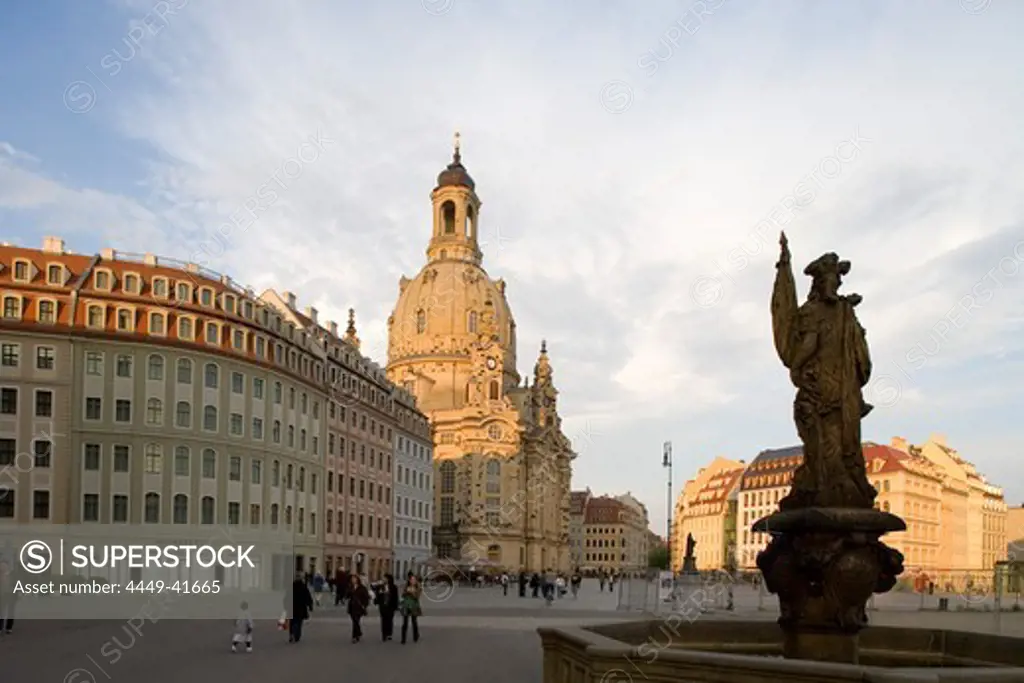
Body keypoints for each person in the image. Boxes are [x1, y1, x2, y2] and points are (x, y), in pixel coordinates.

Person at [286, 572, 313, 643]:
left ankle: (291, 634)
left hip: (292, 606)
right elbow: (308, 596)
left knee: (292, 621)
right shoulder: (303, 586)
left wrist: (285, 605)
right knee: (299, 621)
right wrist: (310, 605)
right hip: (300, 607)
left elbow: (287, 596)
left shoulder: (291, 586)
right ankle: (297, 635)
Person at [399, 572, 422, 644]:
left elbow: (417, 596)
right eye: (411, 579)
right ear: (409, 580)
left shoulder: (418, 587)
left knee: (414, 622)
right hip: (406, 605)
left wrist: (412, 593)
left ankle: (415, 636)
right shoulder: (406, 586)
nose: (412, 581)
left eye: (413, 579)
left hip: (414, 606)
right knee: (405, 623)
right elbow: (403, 595)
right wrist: (405, 593)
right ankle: (403, 639)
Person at [347, 574, 370, 643]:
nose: (353, 580)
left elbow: (366, 597)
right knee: (355, 621)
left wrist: (365, 605)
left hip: (359, 607)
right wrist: (350, 591)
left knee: (356, 621)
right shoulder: (350, 587)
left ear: (357, 580)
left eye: (354, 579)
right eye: (352, 579)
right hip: (352, 606)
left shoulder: (362, 588)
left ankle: (354, 636)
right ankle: (358, 633)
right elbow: (347, 595)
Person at [378, 574, 399, 641]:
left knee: (389, 620)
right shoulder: (381, 586)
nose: (383, 579)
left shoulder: (393, 587)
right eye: (383, 578)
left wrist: (395, 607)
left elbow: (396, 597)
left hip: (390, 606)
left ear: (388, 579)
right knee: (383, 620)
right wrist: (379, 592)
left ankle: (389, 633)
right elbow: (377, 595)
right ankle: (384, 634)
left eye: (385, 578)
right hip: (383, 606)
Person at [0, 560, 15, 634]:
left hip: (11, 595)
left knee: (10, 612)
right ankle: (0, 627)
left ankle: (9, 627)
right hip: (2, 595)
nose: (2, 567)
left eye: (4, 566)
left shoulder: (13, 575)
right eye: (1, 566)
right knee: (1, 612)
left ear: (8, 567)